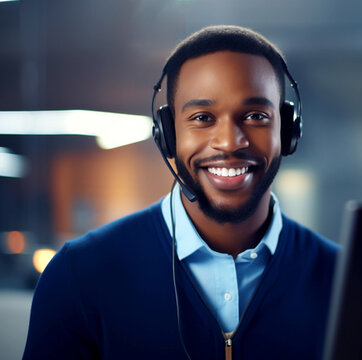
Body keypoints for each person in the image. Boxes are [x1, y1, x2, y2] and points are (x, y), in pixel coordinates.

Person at [23, 25, 339, 359]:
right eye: (203, 117)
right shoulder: (78, 275)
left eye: (256, 116)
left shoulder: (347, 281)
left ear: (287, 130)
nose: (229, 142)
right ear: (168, 134)